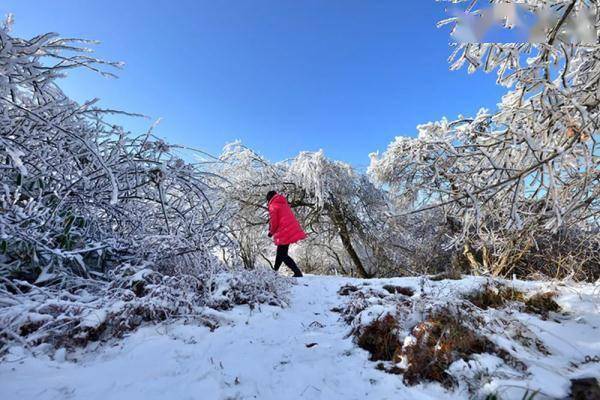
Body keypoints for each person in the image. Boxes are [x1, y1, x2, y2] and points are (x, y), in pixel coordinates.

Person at [266, 190, 306, 277]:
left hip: (284, 230)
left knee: (282, 254)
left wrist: (271, 232)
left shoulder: (273, 205)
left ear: (269, 198)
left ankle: (297, 272)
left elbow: (274, 222)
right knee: (280, 253)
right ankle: (274, 271)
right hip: (289, 229)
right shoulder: (283, 203)